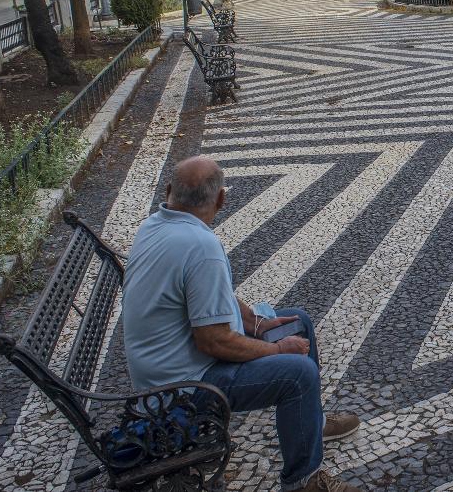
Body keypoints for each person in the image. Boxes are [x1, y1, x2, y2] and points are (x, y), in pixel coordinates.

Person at [122, 156, 363, 492]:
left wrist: (255, 322)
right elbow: (214, 342)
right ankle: (303, 481)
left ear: (169, 191)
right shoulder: (201, 247)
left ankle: (312, 422)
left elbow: (204, 293)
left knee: (300, 323)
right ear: (221, 199)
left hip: (161, 371)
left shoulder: (154, 226)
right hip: (185, 389)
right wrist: (277, 349)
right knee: (300, 374)